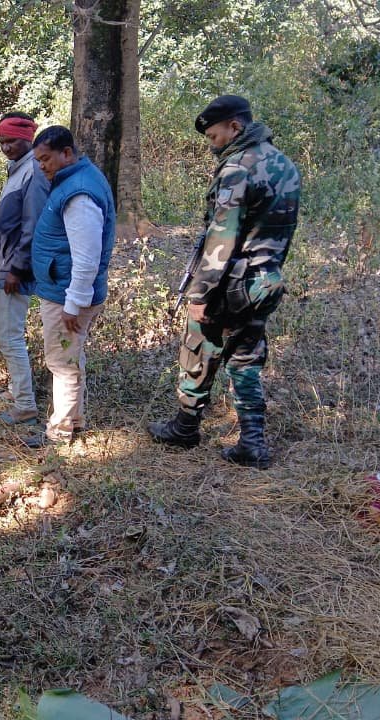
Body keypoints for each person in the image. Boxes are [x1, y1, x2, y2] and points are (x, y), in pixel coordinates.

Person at [148, 95, 300, 469]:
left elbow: (222, 237)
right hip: (267, 280)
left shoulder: (238, 168)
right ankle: (252, 442)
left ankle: (185, 427)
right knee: (247, 355)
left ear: (235, 126)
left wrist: (200, 292)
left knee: (199, 346)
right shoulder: (284, 164)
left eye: (215, 136)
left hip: (232, 281)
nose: (212, 144)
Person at [23, 126, 116, 448]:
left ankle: (59, 432)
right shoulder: (76, 180)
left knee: (62, 364)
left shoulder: (79, 193)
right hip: (63, 289)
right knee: (70, 358)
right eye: (38, 160)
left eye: (46, 158)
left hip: (67, 294)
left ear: (66, 153)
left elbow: (87, 257)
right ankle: (74, 421)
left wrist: (73, 303)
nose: (42, 166)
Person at [0, 113, 50, 426]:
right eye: (2, 142)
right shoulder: (18, 169)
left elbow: (33, 225)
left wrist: (16, 268)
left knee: (9, 336)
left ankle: (25, 404)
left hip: (15, 267)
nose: (7, 147)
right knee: (9, 333)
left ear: (29, 138)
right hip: (7, 263)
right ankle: (16, 391)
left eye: (12, 140)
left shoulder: (33, 172)